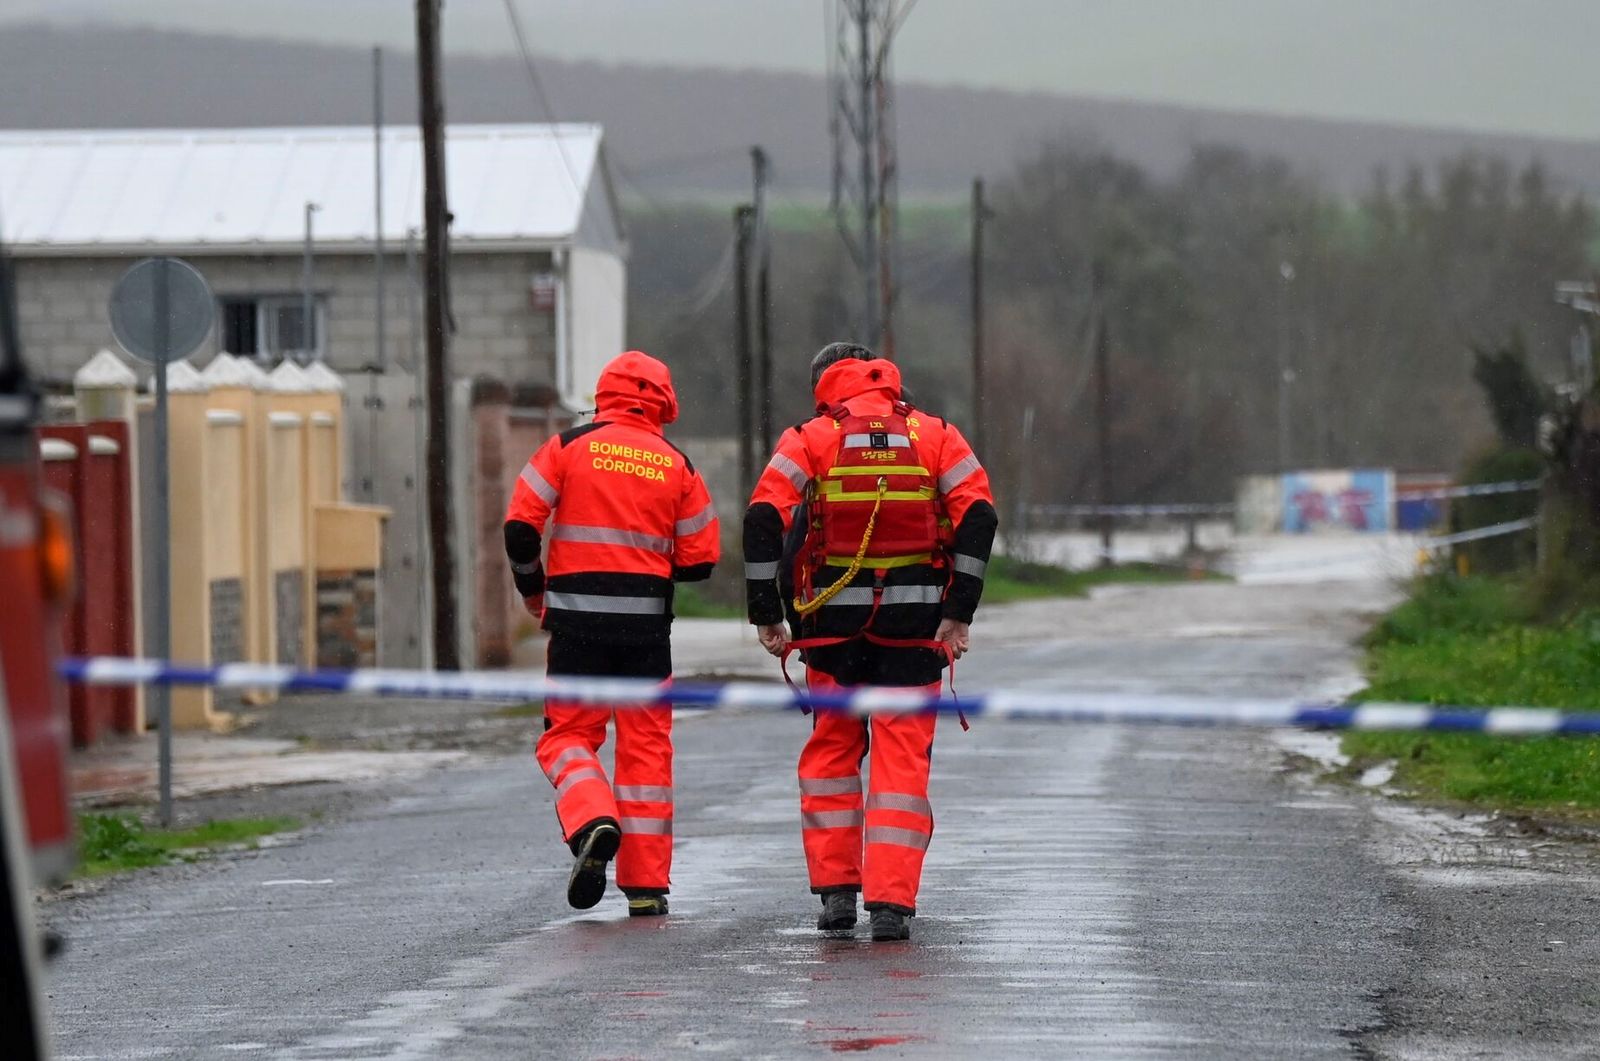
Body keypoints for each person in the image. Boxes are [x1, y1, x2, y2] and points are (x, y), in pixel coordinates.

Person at [743, 343, 997, 941]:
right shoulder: (935, 434)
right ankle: (890, 906)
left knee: (832, 754)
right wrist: (958, 612)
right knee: (900, 764)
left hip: (832, 630)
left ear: (826, 386)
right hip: (914, 631)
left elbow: (762, 520)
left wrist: (766, 612)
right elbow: (978, 516)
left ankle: (837, 895)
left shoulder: (810, 436)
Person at [504, 350, 720, 917]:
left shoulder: (567, 448)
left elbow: (520, 527)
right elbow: (701, 561)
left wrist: (534, 589)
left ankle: (592, 819)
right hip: (646, 633)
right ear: (663, 402)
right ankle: (647, 887)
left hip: (575, 627)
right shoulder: (676, 464)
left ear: (603, 396)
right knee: (646, 751)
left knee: (567, 736)